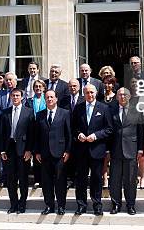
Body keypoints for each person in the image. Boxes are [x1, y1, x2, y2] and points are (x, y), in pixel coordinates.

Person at [72, 84, 113, 216]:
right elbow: (73, 128)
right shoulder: (78, 108)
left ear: (96, 93)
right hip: (81, 150)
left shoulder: (104, 108)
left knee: (96, 179)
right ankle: (81, 205)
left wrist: (96, 136)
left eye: (92, 92)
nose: (90, 95)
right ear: (84, 94)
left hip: (97, 149)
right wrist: (78, 135)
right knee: (81, 180)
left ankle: (97, 205)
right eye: (87, 93)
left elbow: (109, 129)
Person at [34, 90, 71, 216]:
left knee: (60, 181)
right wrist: (37, 151)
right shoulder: (40, 115)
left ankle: (61, 206)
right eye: (47, 97)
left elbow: (69, 134)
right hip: (44, 154)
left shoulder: (65, 113)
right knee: (46, 182)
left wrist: (67, 151)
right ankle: (49, 205)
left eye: (51, 97)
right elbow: (37, 135)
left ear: (56, 99)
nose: (49, 99)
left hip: (60, 153)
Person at [109, 87, 144, 215]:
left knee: (130, 180)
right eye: (120, 95)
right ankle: (116, 204)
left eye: (125, 95)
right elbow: (109, 131)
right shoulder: (111, 110)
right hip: (115, 149)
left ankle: (130, 205)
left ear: (129, 97)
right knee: (115, 179)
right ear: (117, 97)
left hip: (131, 149)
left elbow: (141, 130)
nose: (122, 97)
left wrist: (141, 149)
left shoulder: (137, 111)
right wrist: (108, 150)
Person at [0, 88, 34, 214]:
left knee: (23, 178)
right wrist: (2, 150)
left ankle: (22, 203)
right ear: (10, 97)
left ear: (22, 97)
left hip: (23, 149)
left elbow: (31, 133)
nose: (15, 97)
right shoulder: (5, 112)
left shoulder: (29, 112)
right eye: (13, 95)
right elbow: (2, 133)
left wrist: (29, 150)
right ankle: (13, 204)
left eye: (17, 95)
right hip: (9, 150)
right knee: (11, 179)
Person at [58, 78, 83, 188]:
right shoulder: (63, 100)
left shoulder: (84, 99)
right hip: (66, 133)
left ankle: (78, 179)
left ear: (79, 87)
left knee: (79, 158)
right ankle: (69, 179)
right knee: (68, 157)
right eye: (70, 86)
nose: (72, 88)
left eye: (74, 86)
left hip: (80, 133)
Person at [26, 79, 47, 188]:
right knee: (35, 156)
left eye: (40, 86)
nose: (38, 88)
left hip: (44, 131)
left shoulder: (48, 100)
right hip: (32, 131)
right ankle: (37, 179)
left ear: (44, 88)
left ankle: (46, 179)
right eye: (36, 86)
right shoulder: (29, 101)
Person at [100, 75, 118, 189]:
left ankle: (114, 179)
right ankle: (105, 179)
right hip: (103, 129)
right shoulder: (100, 97)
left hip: (115, 130)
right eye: (105, 83)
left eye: (110, 83)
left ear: (113, 84)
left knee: (113, 155)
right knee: (104, 156)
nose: (107, 85)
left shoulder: (117, 97)